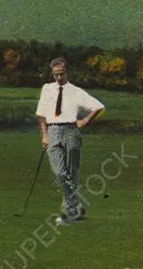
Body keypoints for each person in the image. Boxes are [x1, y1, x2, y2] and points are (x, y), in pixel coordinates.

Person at [35, 57, 106, 225]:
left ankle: (71, 210)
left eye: (61, 74)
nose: (59, 78)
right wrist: (44, 136)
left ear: (67, 73)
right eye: (55, 75)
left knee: (72, 173)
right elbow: (41, 115)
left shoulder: (76, 91)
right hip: (53, 131)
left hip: (71, 132)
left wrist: (85, 121)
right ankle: (75, 206)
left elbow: (99, 107)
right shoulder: (47, 89)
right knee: (60, 172)